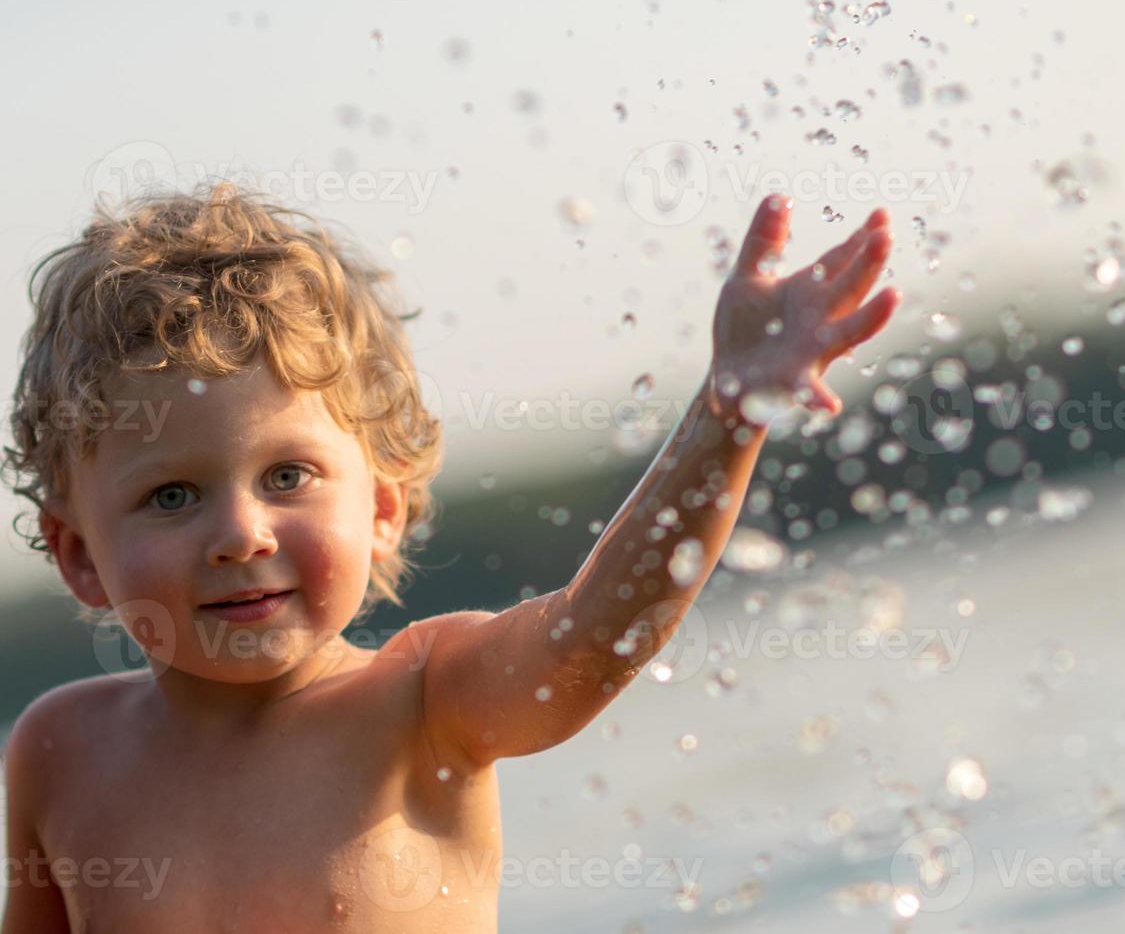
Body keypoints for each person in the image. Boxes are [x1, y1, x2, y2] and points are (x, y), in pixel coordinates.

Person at [0, 182, 899, 932]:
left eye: (288, 475)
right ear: (79, 554)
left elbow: (597, 633)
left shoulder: (425, 703)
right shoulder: (60, 751)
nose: (242, 534)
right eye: (171, 497)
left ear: (382, 510)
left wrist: (728, 412)